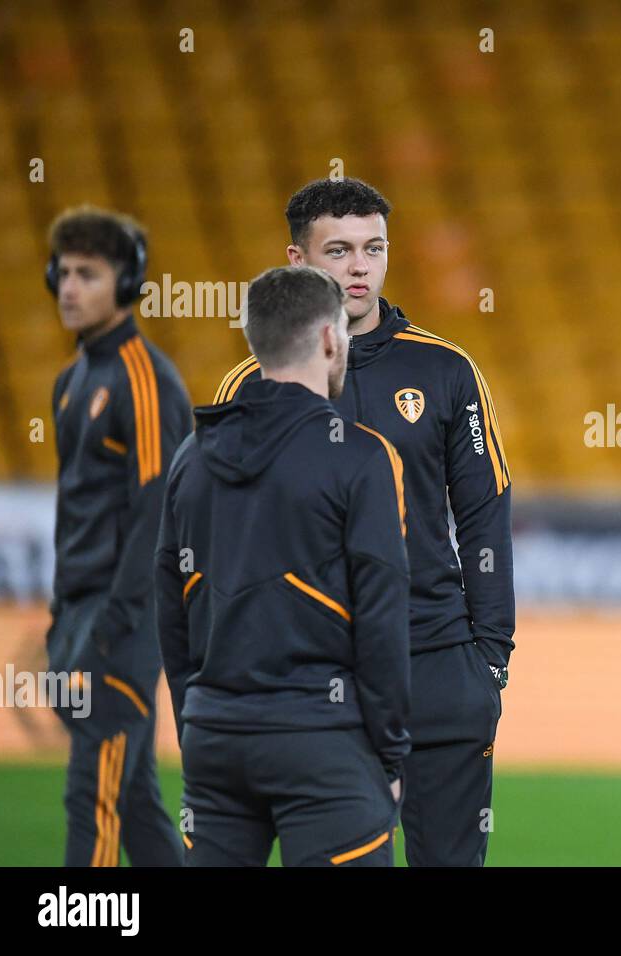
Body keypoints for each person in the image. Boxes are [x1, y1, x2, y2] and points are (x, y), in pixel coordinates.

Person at [213, 178, 514, 866]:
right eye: (339, 250)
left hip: (435, 667)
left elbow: (486, 515)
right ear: (297, 260)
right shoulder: (251, 385)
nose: (358, 266)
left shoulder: (445, 370)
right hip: (312, 677)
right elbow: (224, 537)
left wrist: (491, 658)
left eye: (373, 248)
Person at [156, 265, 411, 866]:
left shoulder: (191, 457)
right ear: (329, 340)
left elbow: (171, 610)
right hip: (323, 745)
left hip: (215, 740)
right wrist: (392, 758)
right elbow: (381, 619)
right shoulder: (364, 457)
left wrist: (197, 719)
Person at [45, 205, 191, 867]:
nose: (70, 288)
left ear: (125, 282)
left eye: (89, 274)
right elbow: (74, 510)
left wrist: (118, 620)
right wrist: (61, 618)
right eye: (64, 273)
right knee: (131, 801)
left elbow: (160, 508)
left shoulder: (146, 378)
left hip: (122, 620)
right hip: (80, 616)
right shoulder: (70, 383)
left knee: (91, 800)